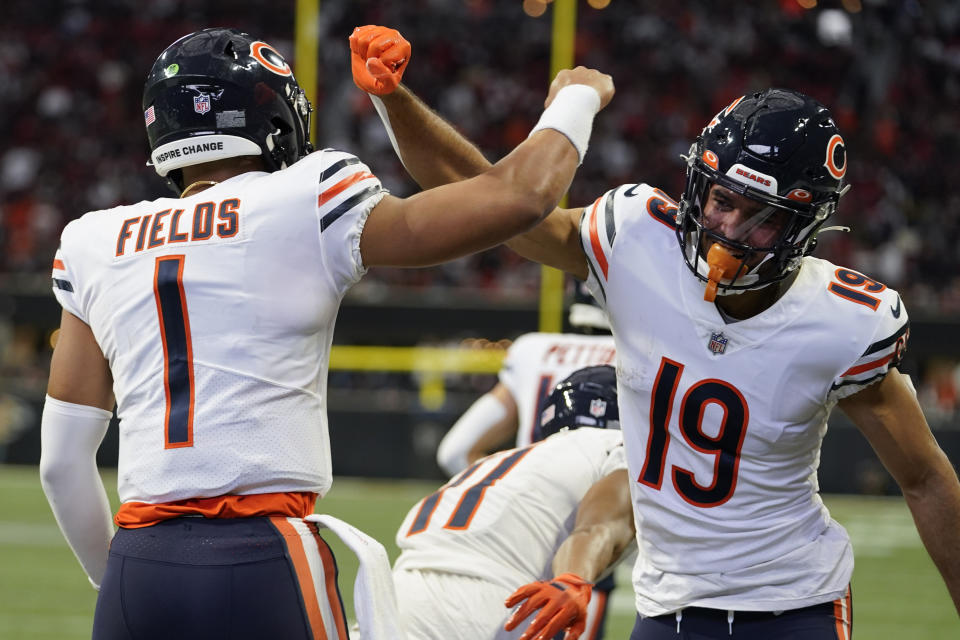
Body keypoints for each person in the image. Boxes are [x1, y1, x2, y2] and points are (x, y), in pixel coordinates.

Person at [351, 25, 960, 638]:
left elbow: (926, 478)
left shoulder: (843, 320)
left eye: (761, 218)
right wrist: (394, 102)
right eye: (721, 199)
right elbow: (489, 199)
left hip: (791, 605)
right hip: (667, 608)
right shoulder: (639, 239)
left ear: (805, 226)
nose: (727, 228)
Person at [38, 26, 614, 640]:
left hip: (138, 568)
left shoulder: (92, 240)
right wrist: (576, 98)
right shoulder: (305, 195)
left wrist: (124, 578)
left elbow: (61, 464)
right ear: (273, 111)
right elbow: (519, 200)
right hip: (263, 553)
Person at [392, 365, 635, 640]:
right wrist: (572, 579)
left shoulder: (497, 461)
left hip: (395, 594)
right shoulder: (618, 446)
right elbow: (598, 525)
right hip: (489, 603)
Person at [436, 282, 615, 477]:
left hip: (533, 496)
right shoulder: (640, 355)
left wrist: (510, 491)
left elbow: (454, 454)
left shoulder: (531, 349)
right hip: (605, 499)